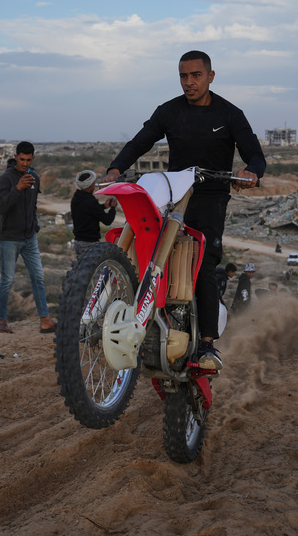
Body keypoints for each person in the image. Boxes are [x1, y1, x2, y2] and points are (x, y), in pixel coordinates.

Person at [104, 50, 265, 370]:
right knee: (145, 245)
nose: (189, 82)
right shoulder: (169, 111)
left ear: (210, 76)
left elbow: (255, 155)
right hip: (173, 194)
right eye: (183, 76)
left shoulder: (230, 114)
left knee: (204, 261)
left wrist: (251, 173)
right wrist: (114, 169)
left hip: (210, 196)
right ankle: (139, 317)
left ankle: (207, 345)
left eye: (196, 76)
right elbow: (140, 142)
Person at [0, 141, 55, 335]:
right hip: (10, 239)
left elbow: (33, 207)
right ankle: (2, 322)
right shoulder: (6, 179)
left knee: (38, 276)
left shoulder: (34, 178)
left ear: (33, 159)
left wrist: (35, 226)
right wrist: (17, 188)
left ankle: (45, 320)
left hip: (29, 238)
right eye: (21, 159)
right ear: (15, 157)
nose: (24, 163)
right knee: (7, 280)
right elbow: (1, 207)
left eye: (28, 160)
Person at [70, 170, 118, 258]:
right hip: (89, 244)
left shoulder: (77, 198)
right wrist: (113, 208)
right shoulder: (90, 201)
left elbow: (88, 211)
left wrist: (103, 206)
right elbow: (107, 220)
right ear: (91, 185)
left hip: (78, 242)